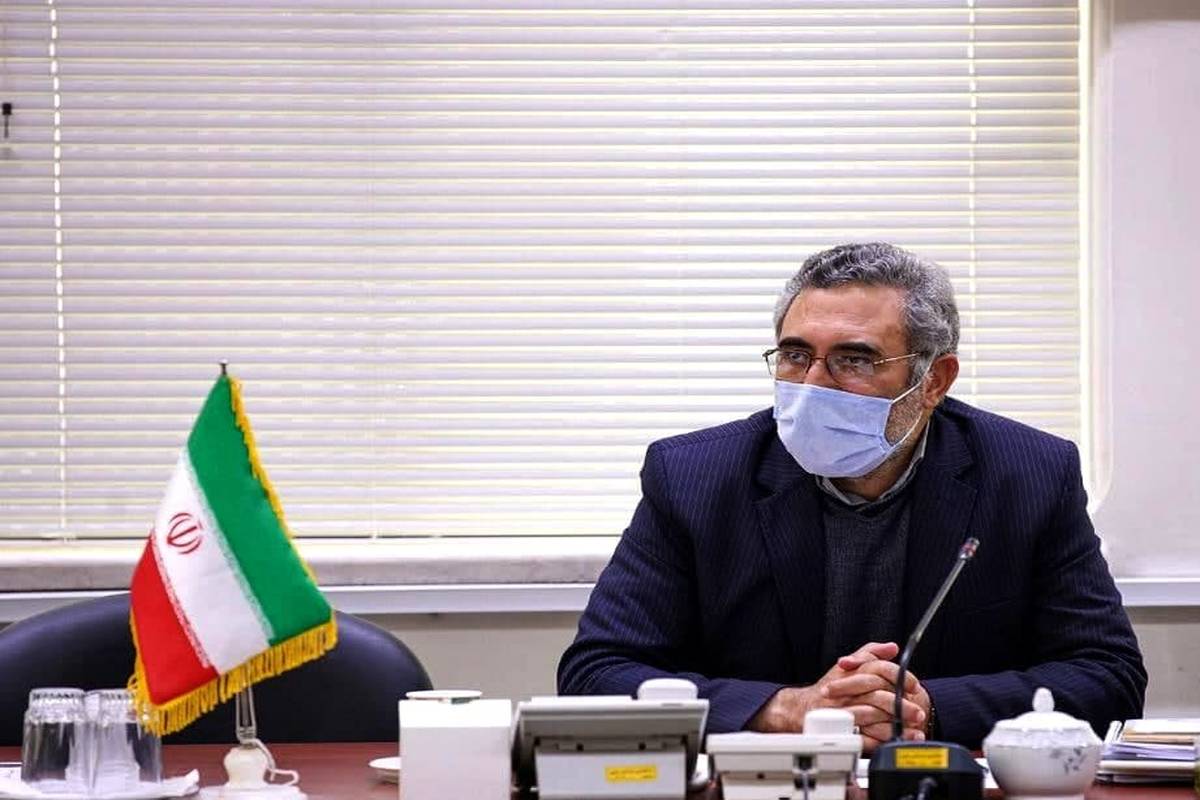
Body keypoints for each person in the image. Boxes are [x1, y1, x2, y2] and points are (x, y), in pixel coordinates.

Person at [557, 242, 1146, 751]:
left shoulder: (1029, 474)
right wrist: (786, 709)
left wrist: (925, 709)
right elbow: (596, 673)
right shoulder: (694, 476)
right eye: (795, 355)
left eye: (854, 359)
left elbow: (1108, 676)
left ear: (934, 381)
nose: (813, 384)